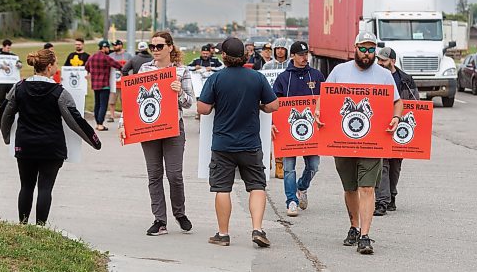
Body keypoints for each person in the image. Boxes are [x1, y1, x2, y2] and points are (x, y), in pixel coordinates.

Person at [315, 31, 403, 254]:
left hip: (372, 142)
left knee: (366, 188)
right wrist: (318, 110)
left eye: (371, 49)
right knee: (350, 188)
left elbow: (397, 102)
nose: (367, 53)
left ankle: (365, 235)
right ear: (355, 48)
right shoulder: (339, 71)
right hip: (342, 141)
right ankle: (353, 226)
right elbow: (324, 98)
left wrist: (396, 117)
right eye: (363, 48)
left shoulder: (383, 75)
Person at [0, 48, 101, 225]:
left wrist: (7, 137)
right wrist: (94, 140)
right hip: (51, 148)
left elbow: (4, 114)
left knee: (26, 186)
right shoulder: (59, 92)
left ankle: (23, 225)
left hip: (25, 146)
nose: (56, 67)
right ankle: (40, 228)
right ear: (49, 67)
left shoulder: (19, 87)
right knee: (45, 187)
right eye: (55, 64)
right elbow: (75, 120)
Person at [197, 37, 279, 248]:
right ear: (244, 56)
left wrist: (216, 103)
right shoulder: (257, 78)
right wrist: (259, 107)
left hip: (223, 145)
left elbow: (203, 109)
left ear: (223, 56)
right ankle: (258, 229)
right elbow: (273, 105)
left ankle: (223, 234)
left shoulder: (216, 79)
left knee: (222, 188)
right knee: (257, 186)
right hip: (251, 143)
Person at [118, 31, 194, 236]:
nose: (155, 50)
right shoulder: (144, 69)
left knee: (175, 175)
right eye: (153, 47)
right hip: (149, 129)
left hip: (173, 128)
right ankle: (160, 219)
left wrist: (179, 92)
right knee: (154, 175)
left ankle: (179, 213)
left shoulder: (181, 71)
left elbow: (189, 103)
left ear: (170, 47)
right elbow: (133, 99)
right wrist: (123, 123)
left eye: (159, 46)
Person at [272, 41, 325, 217]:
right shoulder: (283, 78)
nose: (304, 57)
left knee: (314, 166)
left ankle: (302, 187)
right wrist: (272, 122)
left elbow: (326, 99)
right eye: (301, 54)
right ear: (292, 56)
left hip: (312, 131)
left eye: (306, 54)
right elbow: (274, 104)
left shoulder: (316, 75)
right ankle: (291, 201)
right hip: (288, 131)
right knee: (288, 167)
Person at [373, 47, 419, 216]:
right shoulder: (375, 76)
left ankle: (391, 196)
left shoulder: (405, 79)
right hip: (380, 126)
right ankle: (382, 202)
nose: (379, 63)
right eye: (378, 60)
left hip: (400, 126)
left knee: (395, 164)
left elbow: (415, 103)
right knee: (382, 163)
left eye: (383, 60)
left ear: (392, 61)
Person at [84, 40, 122, 131]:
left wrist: (92, 72)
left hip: (95, 85)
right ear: (104, 48)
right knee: (103, 105)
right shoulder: (106, 57)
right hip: (104, 85)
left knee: (97, 104)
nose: (109, 49)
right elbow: (117, 65)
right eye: (108, 47)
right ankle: (101, 124)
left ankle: (97, 123)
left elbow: (86, 66)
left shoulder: (92, 57)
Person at [107, 40, 133, 123]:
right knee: (112, 100)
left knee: (124, 100)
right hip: (113, 82)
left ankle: (125, 116)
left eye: (116, 45)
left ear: (121, 45)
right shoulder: (111, 55)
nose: (114, 47)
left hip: (124, 82)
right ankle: (112, 115)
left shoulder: (128, 56)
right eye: (113, 45)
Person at [0, 39, 23, 109]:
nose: (9, 49)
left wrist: (19, 65)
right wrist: (1, 66)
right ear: (3, 46)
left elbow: (20, 64)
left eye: (10, 48)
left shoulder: (13, 56)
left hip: (11, 81)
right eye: (7, 48)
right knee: (1, 99)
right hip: (1, 82)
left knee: (12, 98)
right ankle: (1, 113)